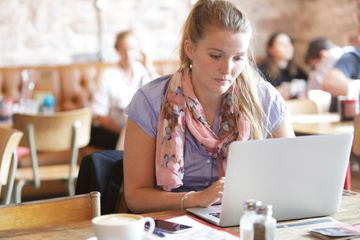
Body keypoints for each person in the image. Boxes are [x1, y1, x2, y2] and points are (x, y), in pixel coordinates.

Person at [124, 0, 295, 213]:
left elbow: (291, 180)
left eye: (238, 58)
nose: (227, 69)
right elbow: (135, 197)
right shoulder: (150, 101)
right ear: (190, 49)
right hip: (175, 225)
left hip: (245, 219)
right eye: (215, 56)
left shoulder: (264, 97)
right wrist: (194, 199)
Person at [90, 30, 154, 149]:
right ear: (117, 50)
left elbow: (159, 95)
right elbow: (100, 116)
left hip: (139, 130)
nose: (128, 54)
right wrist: (126, 132)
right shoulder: (107, 75)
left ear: (138, 51)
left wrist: (148, 66)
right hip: (113, 130)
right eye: (124, 49)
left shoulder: (143, 72)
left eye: (131, 49)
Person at [305, 38, 360, 111]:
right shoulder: (350, 54)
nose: (314, 70)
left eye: (314, 66)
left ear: (323, 55)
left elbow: (311, 91)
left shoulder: (331, 57)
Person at [258, 32, 307, 100]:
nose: (288, 47)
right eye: (282, 44)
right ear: (270, 49)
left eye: (289, 43)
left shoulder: (297, 71)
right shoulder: (261, 71)